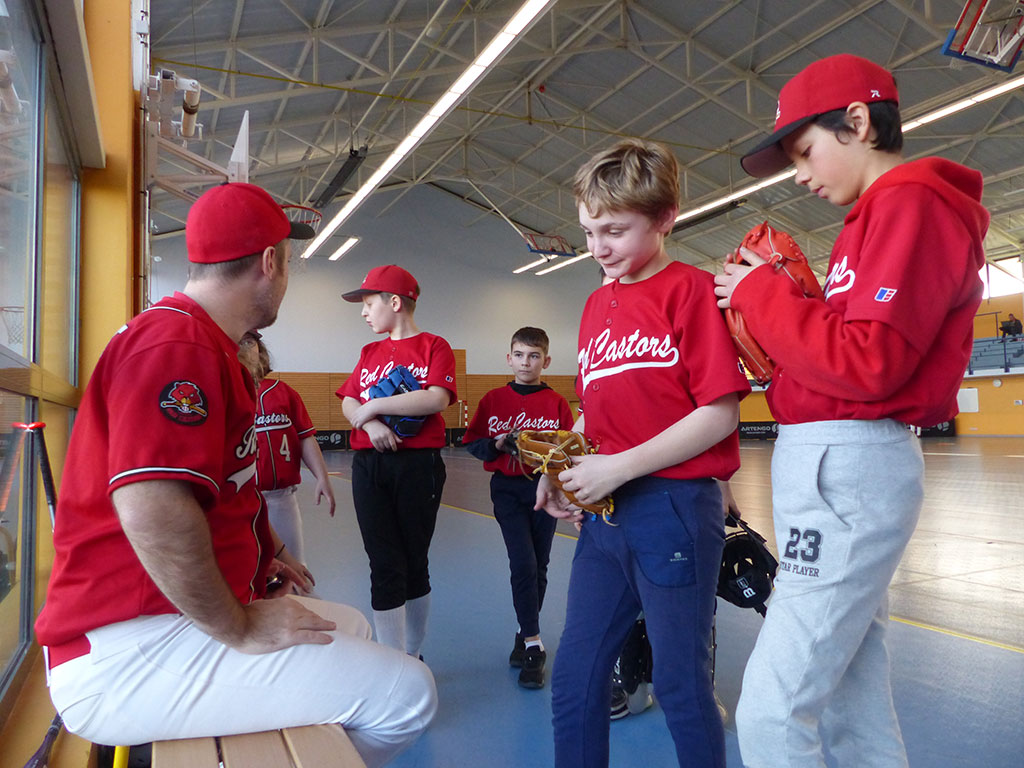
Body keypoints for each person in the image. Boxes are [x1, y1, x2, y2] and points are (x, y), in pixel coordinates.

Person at [34, 183, 437, 767]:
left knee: (348, 626)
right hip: (126, 645)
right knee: (409, 695)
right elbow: (152, 507)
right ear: (271, 262)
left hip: (160, 620)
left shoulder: (202, 341)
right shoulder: (179, 344)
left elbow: (220, 490)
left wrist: (263, 555)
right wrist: (241, 626)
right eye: (289, 262)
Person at [714, 54, 989, 768]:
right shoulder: (872, 220)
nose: (799, 174)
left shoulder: (912, 203)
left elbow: (870, 362)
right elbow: (852, 349)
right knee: (851, 704)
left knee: (771, 711)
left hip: (851, 460)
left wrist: (762, 296)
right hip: (833, 458)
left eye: (804, 151)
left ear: (858, 122)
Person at [537, 138, 751, 768]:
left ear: (664, 219)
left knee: (681, 682)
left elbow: (719, 412)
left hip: (673, 508)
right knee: (576, 678)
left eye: (614, 231)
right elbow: (598, 404)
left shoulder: (693, 292)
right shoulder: (594, 304)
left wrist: (619, 466)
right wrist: (562, 465)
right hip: (606, 518)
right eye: (588, 232)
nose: (597, 248)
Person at [337, 265, 457, 659]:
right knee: (383, 562)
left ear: (394, 302)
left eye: (369, 303)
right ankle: (392, 660)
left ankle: (412, 655)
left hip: (417, 466)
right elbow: (349, 400)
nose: (363, 312)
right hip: (370, 465)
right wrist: (370, 424)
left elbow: (436, 398)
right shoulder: (369, 353)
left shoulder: (434, 346)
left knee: (413, 561)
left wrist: (374, 405)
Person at [462, 326, 574, 689]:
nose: (527, 362)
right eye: (520, 355)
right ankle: (534, 645)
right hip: (507, 491)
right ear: (509, 359)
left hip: (545, 491)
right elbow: (473, 442)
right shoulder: (493, 399)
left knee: (539, 565)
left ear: (546, 361)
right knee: (523, 562)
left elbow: (570, 448)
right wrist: (496, 444)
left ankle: (525, 634)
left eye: (534, 356)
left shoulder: (557, 403)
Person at [238, 331, 336, 577]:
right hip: (242, 499)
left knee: (295, 567)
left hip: (281, 498)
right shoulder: (226, 393)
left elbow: (305, 437)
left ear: (261, 351)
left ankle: (301, 597)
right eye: (239, 341)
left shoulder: (284, 392)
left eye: (250, 342)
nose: (245, 347)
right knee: (249, 569)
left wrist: (322, 477)